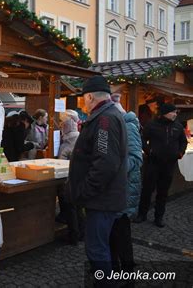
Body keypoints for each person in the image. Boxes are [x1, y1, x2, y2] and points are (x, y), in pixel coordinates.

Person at [64, 75, 127, 286]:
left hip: (101, 199)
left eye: (83, 99)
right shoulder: (106, 115)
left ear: (90, 96)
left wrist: (84, 191)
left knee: (97, 249)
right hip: (104, 198)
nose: (82, 103)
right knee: (101, 247)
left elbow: (105, 162)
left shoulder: (105, 120)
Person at [134, 103, 187, 227]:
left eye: (176, 112)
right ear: (165, 113)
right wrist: (149, 151)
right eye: (173, 112)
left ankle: (159, 217)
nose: (175, 114)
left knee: (163, 192)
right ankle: (142, 214)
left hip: (169, 165)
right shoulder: (152, 125)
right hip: (153, 163)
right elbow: (141, 139)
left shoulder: (178, 126)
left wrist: (180, 153)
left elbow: (183, 142)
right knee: (147, 190)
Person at [109, 95, 143, 285]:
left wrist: (110, 167)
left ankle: (127, 271)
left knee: (121, 232)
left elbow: (135, 159)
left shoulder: (128, 124)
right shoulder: (117, 123)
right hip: (117, 189)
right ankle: (114, 270)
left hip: (124, 189)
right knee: (114, 232)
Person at [56, 109, 85, 245]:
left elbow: (61, 164)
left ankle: (74, 235)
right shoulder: (81, 138)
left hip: (69, 180)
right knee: (78, 207)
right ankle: (82, 233)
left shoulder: (67, 142)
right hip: (81, 178)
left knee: (70, 208)